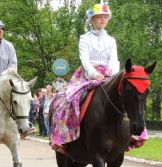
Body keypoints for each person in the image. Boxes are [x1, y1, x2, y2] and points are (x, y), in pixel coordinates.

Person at [50, 3, 120, 148]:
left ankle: (128, 136)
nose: (103, 19)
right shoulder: (84, 38)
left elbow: (114, 60)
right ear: (92, 19)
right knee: (68, 98)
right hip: (87, 74)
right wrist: (95, 74)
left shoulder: (111, 40)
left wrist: (113, 76)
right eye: (99, 17)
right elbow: (85, 60)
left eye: (105, 17)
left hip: (108, 75)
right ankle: (65, 137)